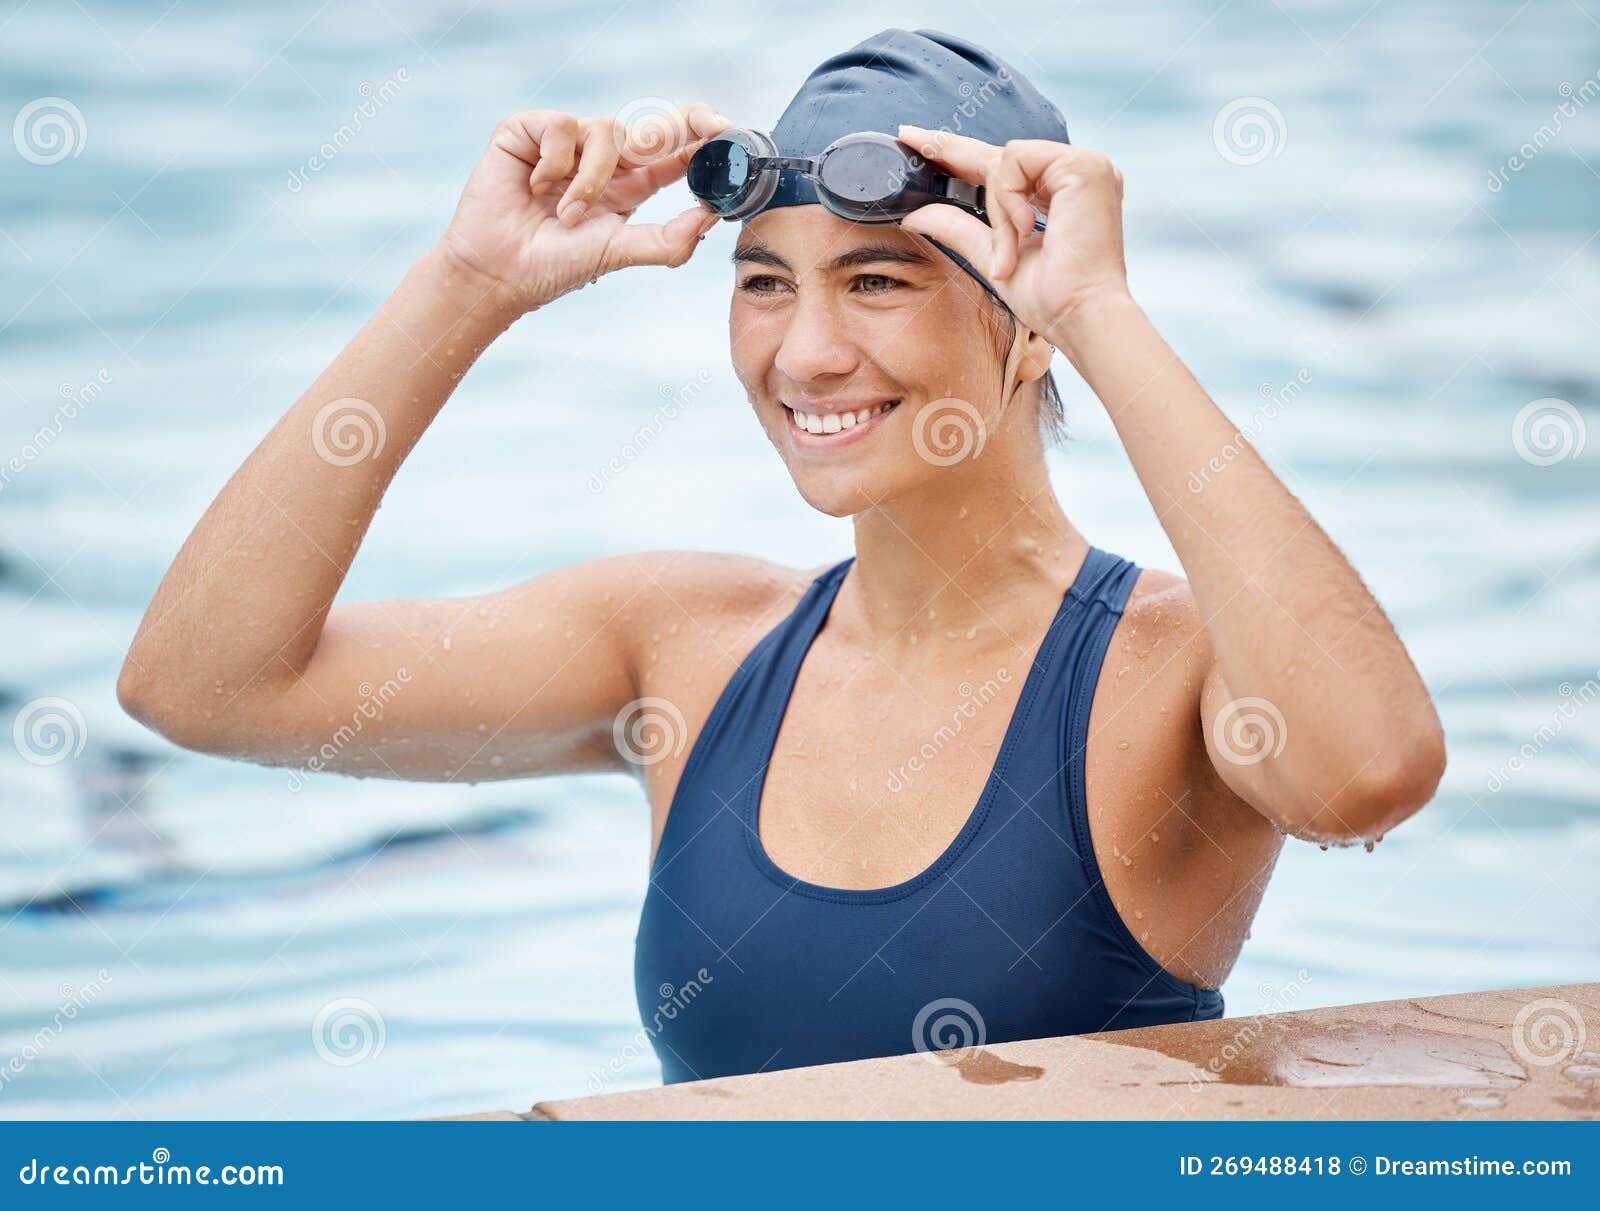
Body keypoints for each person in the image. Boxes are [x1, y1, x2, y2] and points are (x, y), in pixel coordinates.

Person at [119, 29, 1446, 1084]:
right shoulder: (684, 646)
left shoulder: (1167, 667)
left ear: (1027, 324)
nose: (804, 352)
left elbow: (1369, 773)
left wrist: (1099, 311)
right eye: (763, 281)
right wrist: (469, 281)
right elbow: (208, 685)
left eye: (877, 280)